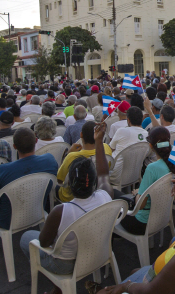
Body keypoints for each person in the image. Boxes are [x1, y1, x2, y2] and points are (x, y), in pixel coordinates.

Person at [19, 122, 113, 293]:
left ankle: (58, 285)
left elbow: (44, 243)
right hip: (98, 251)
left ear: (69, 184)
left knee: (26, 238)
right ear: (94, 182)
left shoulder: (60, 211)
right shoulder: (106, 196)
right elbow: (104, 174)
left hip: (66, 264)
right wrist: (99, 141)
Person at [0, 128, 58, 256]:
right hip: (38, 210)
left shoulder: (3, 170)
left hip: (8, 220)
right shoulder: (49, 160)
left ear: (14, 146)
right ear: (36, 141)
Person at [118, 127, 175, 235]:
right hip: (162, 216)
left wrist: (137, 194)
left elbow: (140, 205)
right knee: (119, 196)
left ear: (150, 146)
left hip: (142, 223)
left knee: (115, 202)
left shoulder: (152, 168)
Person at [56, 121, 112, 202]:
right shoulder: (106, 148)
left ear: (81, 134)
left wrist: (68, 154)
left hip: (73, 197)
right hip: (97, 189)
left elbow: (60, 180)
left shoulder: (71, 157)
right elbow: (105, 172)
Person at [109, 106, 148, 185]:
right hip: (135, 174)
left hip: (117, 175)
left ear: (128, 120)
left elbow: (111, 148)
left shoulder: (122, 131)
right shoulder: (146, 134)